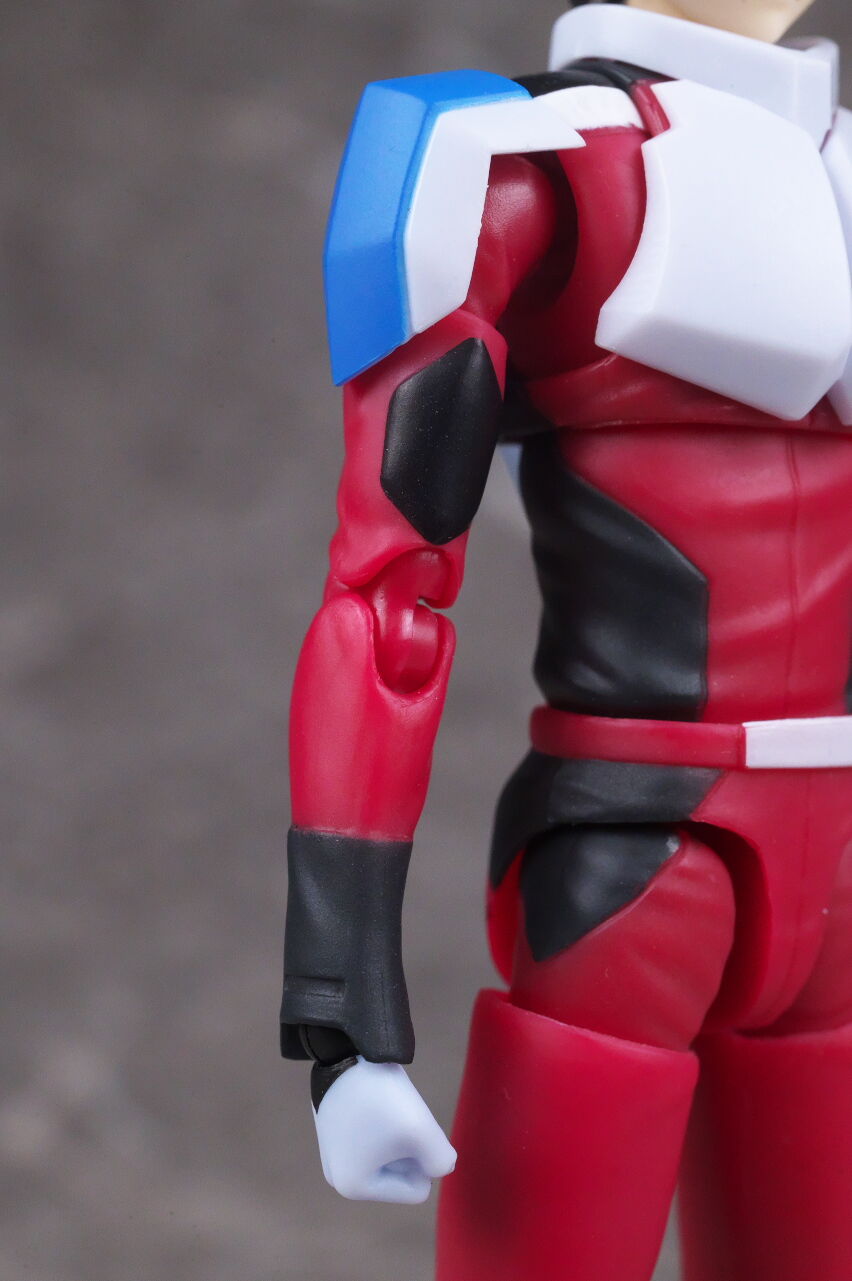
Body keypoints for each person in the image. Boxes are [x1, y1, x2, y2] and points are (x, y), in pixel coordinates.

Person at [281, 2, 852, 1277]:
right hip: (640, 857)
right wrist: (344, 1019)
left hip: (837, 877)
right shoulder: (528, 166)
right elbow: (385, 606)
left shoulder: (837, 173)